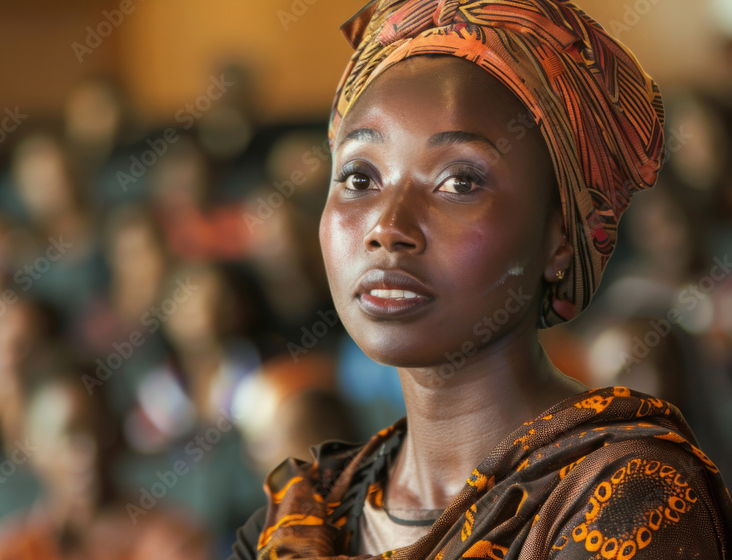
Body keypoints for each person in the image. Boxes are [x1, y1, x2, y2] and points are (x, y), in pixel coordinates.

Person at [230, 1, 732, 558]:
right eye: (358, 176)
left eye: (460, 182)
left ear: (560, 237)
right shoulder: (298, 518)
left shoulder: (626, 495)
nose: (387, 228)